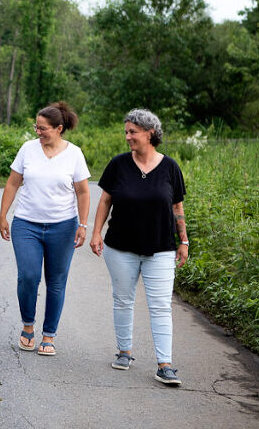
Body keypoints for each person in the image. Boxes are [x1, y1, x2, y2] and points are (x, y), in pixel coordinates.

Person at [89, 108, 189, 386]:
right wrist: (96, 233)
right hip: (120, 247)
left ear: (150, 133)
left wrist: (184, 240)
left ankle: (165, 365)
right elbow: (105, 201)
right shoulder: (118, 165)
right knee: (123, 300)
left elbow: (177, 207)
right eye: (126, 132)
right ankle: (124, 352)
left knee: (161, 306)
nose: (127, 137)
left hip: (161, 248)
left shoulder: (170, 167)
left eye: (132, 132)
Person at [0, 101, 91, 356]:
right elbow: (12, 183)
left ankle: (49, 335)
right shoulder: (28, 150)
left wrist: (83, 224)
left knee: (56, 281)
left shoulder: (74, 154)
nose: (38, 132)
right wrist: (3, 215)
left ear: (59, 128)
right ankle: (28, 326)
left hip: (63, 226)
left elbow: (83, 192)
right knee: (28, 276)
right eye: (36, 127)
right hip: (26, 223)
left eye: (43, 128)